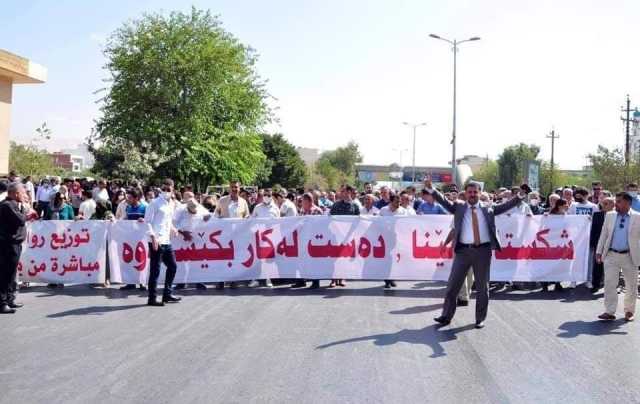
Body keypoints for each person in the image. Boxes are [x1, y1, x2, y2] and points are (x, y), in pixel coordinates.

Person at [427, 179, 527, 329]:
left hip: (483, 251)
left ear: (480, 193)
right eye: (470, 192)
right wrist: (431, 189)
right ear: (466, 194)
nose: (472, 194)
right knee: (453, 286)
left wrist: (520, 195)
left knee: (482, 287)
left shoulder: (489, 208)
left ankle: (480, 318)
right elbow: (444, 201)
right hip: (463, 252)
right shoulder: (459, 207)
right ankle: (446, 316)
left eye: (475, 192)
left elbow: (507, 205)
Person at [595, 192, 638, 322]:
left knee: (631, 285)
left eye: (619, 201)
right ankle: (609, 311)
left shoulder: (638, 217)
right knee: (609, 284)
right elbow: (604, 234)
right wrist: (598, 251)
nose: (615, 204)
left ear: (628, 203)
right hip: (611, 255)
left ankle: (629, 311)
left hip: (630, 256)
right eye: (616, 201)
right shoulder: (610, 215)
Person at [144, 179, 181, 306]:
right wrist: (153, 238)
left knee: (173, 266)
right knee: (155, 270)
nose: (166, 191)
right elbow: (147, 222)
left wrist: (173, 229)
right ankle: (152, 298)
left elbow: (167, 220)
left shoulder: (171, 203)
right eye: (164, 189)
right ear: (161, 189)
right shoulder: (154, 203)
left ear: (173, 190)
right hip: (156, 241)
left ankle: (167, 294)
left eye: (169, 189)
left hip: (166, 240)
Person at [214, 181, 249, 289]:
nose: (234, 189)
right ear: (229, 188)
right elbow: (216, 214)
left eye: (236, 187)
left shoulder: (243, 202)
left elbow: (247, 216)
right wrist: (219, 220)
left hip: (238, 235)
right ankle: (221, 280)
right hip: (225, 235)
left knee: (236, 257)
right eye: (232, 187)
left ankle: (234, 280)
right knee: (223, 258)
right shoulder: (222, 200)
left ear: (239, 189)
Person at [0, 183, 29, 314]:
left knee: (12, 274)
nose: (25, 196)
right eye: (23, 193)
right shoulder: (7, 205)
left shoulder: (14, 205)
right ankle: (2, 303)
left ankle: (10, 299)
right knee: (5, 274)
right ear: (16, 193)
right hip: (8, 244)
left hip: (15, 244)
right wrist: (25, 210)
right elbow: (20, 220)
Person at [328, 184, 360, 288]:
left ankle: (342, 278)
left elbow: (358, 221)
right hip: (336, 235)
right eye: (341, 191)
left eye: (344, 191)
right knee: (334, 257)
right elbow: (329, 218)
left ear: (349, 192)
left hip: (348, 236)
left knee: (344, 258)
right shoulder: (336, 205)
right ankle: (333, 279)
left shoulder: (355, 206)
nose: (342, 193)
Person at [589, 196, 614, 293]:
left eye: (606, 203)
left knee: (611, 267)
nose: (603, 205)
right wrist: (593, 244)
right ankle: (595, 285)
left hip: (612, 246)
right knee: (597, 265)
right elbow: (593, 230)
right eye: (603, 203)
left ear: (613, 205)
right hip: (599, 245)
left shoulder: (617, 215)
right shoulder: (597, 215)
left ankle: (611, 287)